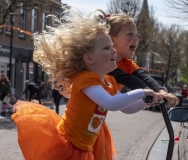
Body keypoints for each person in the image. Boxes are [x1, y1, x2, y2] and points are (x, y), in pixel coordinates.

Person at [11, 7, 159, 160]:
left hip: (85, 148)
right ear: (89, 58)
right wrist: (143, 92)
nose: (114, 51)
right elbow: (112, 103)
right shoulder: (85, 79)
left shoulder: (109, 82)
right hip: (69, 146)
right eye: (107, 48)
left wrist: (148, 101)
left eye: (112, 46)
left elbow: (127, 108)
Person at [105, 13, 179, 106]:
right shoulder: (104, 61)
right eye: (130, 34)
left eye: (136, 35)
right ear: (111, 40)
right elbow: (127, 78)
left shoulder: (126, 63)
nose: (136, 38)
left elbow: (142, 76)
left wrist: (161, 91)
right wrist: (148, 91)